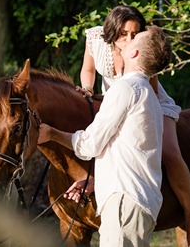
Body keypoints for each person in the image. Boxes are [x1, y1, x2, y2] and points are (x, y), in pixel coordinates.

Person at [72, 5, 190, 247]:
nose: (129, 39)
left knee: (171, 153)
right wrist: (88, 90)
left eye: (135, 33)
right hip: (113, 98)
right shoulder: (95, 39)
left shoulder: (143, 50)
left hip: (146, 99)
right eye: (123, 34)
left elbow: (148, 96)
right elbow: (88, 70)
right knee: (100, 138)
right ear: (111, 31)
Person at [38, 26, 169, 246]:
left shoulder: (125, 89)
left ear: (134, 53)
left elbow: (90, 145)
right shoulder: (148, 95)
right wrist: (97, 182)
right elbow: (131, 153)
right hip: (137, 201)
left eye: (135, 39)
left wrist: (52, 134)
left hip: (124, 205)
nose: (128, 40)